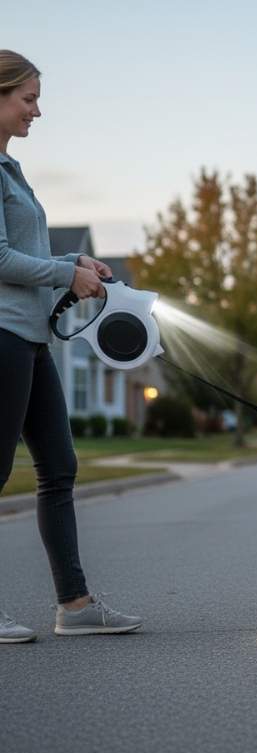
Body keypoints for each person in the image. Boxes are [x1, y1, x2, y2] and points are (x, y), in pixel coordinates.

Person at [0, 50, 142, 642]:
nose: (38, 110)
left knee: (59, 468)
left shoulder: (10, 170)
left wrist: (72, 260)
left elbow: (22, 254)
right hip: (3, 337)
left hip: (32, 342)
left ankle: (75, 605)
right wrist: (63, 276)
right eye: (28, 99)